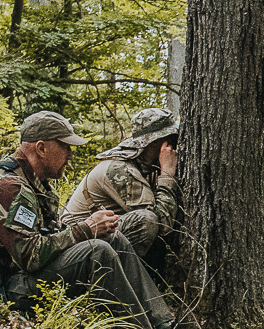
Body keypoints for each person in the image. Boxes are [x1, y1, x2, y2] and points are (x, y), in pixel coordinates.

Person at [0, 111, 203, 329]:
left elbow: (47, 235)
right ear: (41, 148)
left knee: (113, 238)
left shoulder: (34, 182)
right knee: (96, 251)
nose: (71, 156)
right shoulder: (8, 186)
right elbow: (29, 257)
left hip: (18, 277)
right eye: (65, 147)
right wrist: (84, 230)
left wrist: (90, 230)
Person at [58, 108, 179, 258]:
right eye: (170, 141)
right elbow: (162, 225)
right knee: (146, 221)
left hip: (89, 241)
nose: (174, 147)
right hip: (76, 245)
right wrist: (167, 174)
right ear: (154, 143)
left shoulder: (144, 166)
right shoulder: (120, 170)